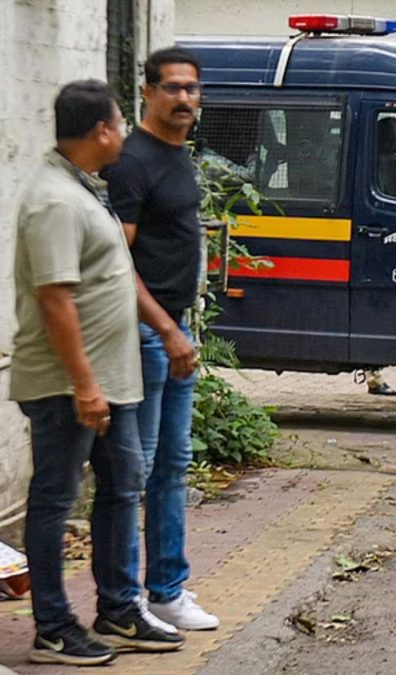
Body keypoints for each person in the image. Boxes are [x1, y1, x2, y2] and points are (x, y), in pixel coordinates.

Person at [12, 80, 184, 666]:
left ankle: (117, 608)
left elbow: (109, 277)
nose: (126, 133)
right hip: (69, 385)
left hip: (112, 380)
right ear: (102, 131)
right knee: (56, 499)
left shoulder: (83, 189)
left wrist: (162, 332)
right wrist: (84, 383)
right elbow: (56, 299)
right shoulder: (55, 201)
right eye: (120, 122)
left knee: (123, 485)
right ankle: (53, 629)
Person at [102, 47, 219, 632]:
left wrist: (183, 326)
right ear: (148, 92)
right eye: (172, 88)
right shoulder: (131, 161)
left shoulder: (179, 157)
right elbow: (117, 262)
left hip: (177, 329)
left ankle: (168, 591)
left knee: (173, 465)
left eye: (191, 89)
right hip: (145, 336)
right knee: (136, 470)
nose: (183, 99)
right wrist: (166, 329)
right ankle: (125, 605)